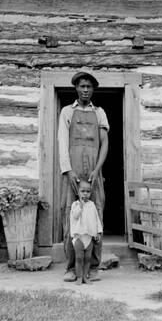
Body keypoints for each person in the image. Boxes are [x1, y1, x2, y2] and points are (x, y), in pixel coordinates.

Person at [58, 71, 109, 282]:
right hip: (72, 170)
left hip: (94, 172)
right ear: (76, 88)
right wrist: (68, 170)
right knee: (70, 215)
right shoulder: (67, 112)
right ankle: (71, 268)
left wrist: (98, 169)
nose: (85, 90)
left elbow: (105, 143)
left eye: (89, 86)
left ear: (93, 89)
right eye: (82, 86)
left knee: (96, 215)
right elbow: (62, 141)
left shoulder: (99, 113)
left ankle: (94, 267)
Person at [70, 181, 103, 285]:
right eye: (82, 191)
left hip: (89, 237)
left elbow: (96, 219)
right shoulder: (75, 204)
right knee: (79, 258)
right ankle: (79, 277)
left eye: (88, 191)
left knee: (88, 258)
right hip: (79, 236)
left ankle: (85, 276)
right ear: (78, 192)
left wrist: (98, 232)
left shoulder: (92, 205)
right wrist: (80, 205)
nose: (85, 194)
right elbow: (75, 216)